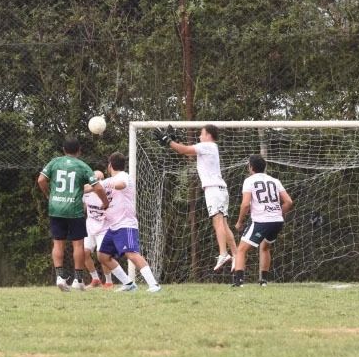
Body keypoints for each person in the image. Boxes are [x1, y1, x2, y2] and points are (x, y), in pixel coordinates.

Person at [157, 124, 236, 270]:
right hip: (219, 190)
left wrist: (167, 140)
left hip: (213, 190)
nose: (199, 136)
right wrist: (175, 140)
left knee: (218, 223)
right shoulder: (209, 148)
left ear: (208, 135)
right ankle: (237, 256)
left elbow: (183, 150)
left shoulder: (208, 145)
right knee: (223, 224)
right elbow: (187, 152)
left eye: (201, 133)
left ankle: (224, 253)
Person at [38, 136, 107, 291]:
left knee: (58, 243)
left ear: (63, 150)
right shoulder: (82, 166)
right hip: (74, 210)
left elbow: (41, 180)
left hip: (56, 208)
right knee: (78, 244)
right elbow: (98, 187)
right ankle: (78, 279)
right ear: (79, 150)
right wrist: (105, 203)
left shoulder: (55, 162)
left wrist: (49, 195)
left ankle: (60, 277)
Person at [95, 152, 161, 292]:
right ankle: (129, 284)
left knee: (131, 253)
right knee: (103, 256)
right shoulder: (109, 181)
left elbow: (120, 185)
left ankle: (154, 285)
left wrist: (104, 183)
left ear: (110, 165)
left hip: (125, 225)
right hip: (113, 227)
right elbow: (96, 190)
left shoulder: (123, 176)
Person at [231, 154, 293, 288]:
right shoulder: (275, 181)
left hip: (261, 221)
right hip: (277, 221)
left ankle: (239, 282)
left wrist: (240, 222)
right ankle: (263, 281)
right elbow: (288, 202)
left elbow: (246, 204)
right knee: (265, 247)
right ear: (264, 167)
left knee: (241, 249)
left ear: (250, 167)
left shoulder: (249, 181)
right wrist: (277, 213)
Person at [82, 167, 111, 288]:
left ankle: (108, 282)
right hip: (90, 227)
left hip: (104, 227)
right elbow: (84, 208)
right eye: (96, 178)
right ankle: (95, 280)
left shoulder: (108, 192)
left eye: (101, 179)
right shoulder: (86, 192)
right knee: (84, 253)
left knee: (102, 255)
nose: (98, 181)